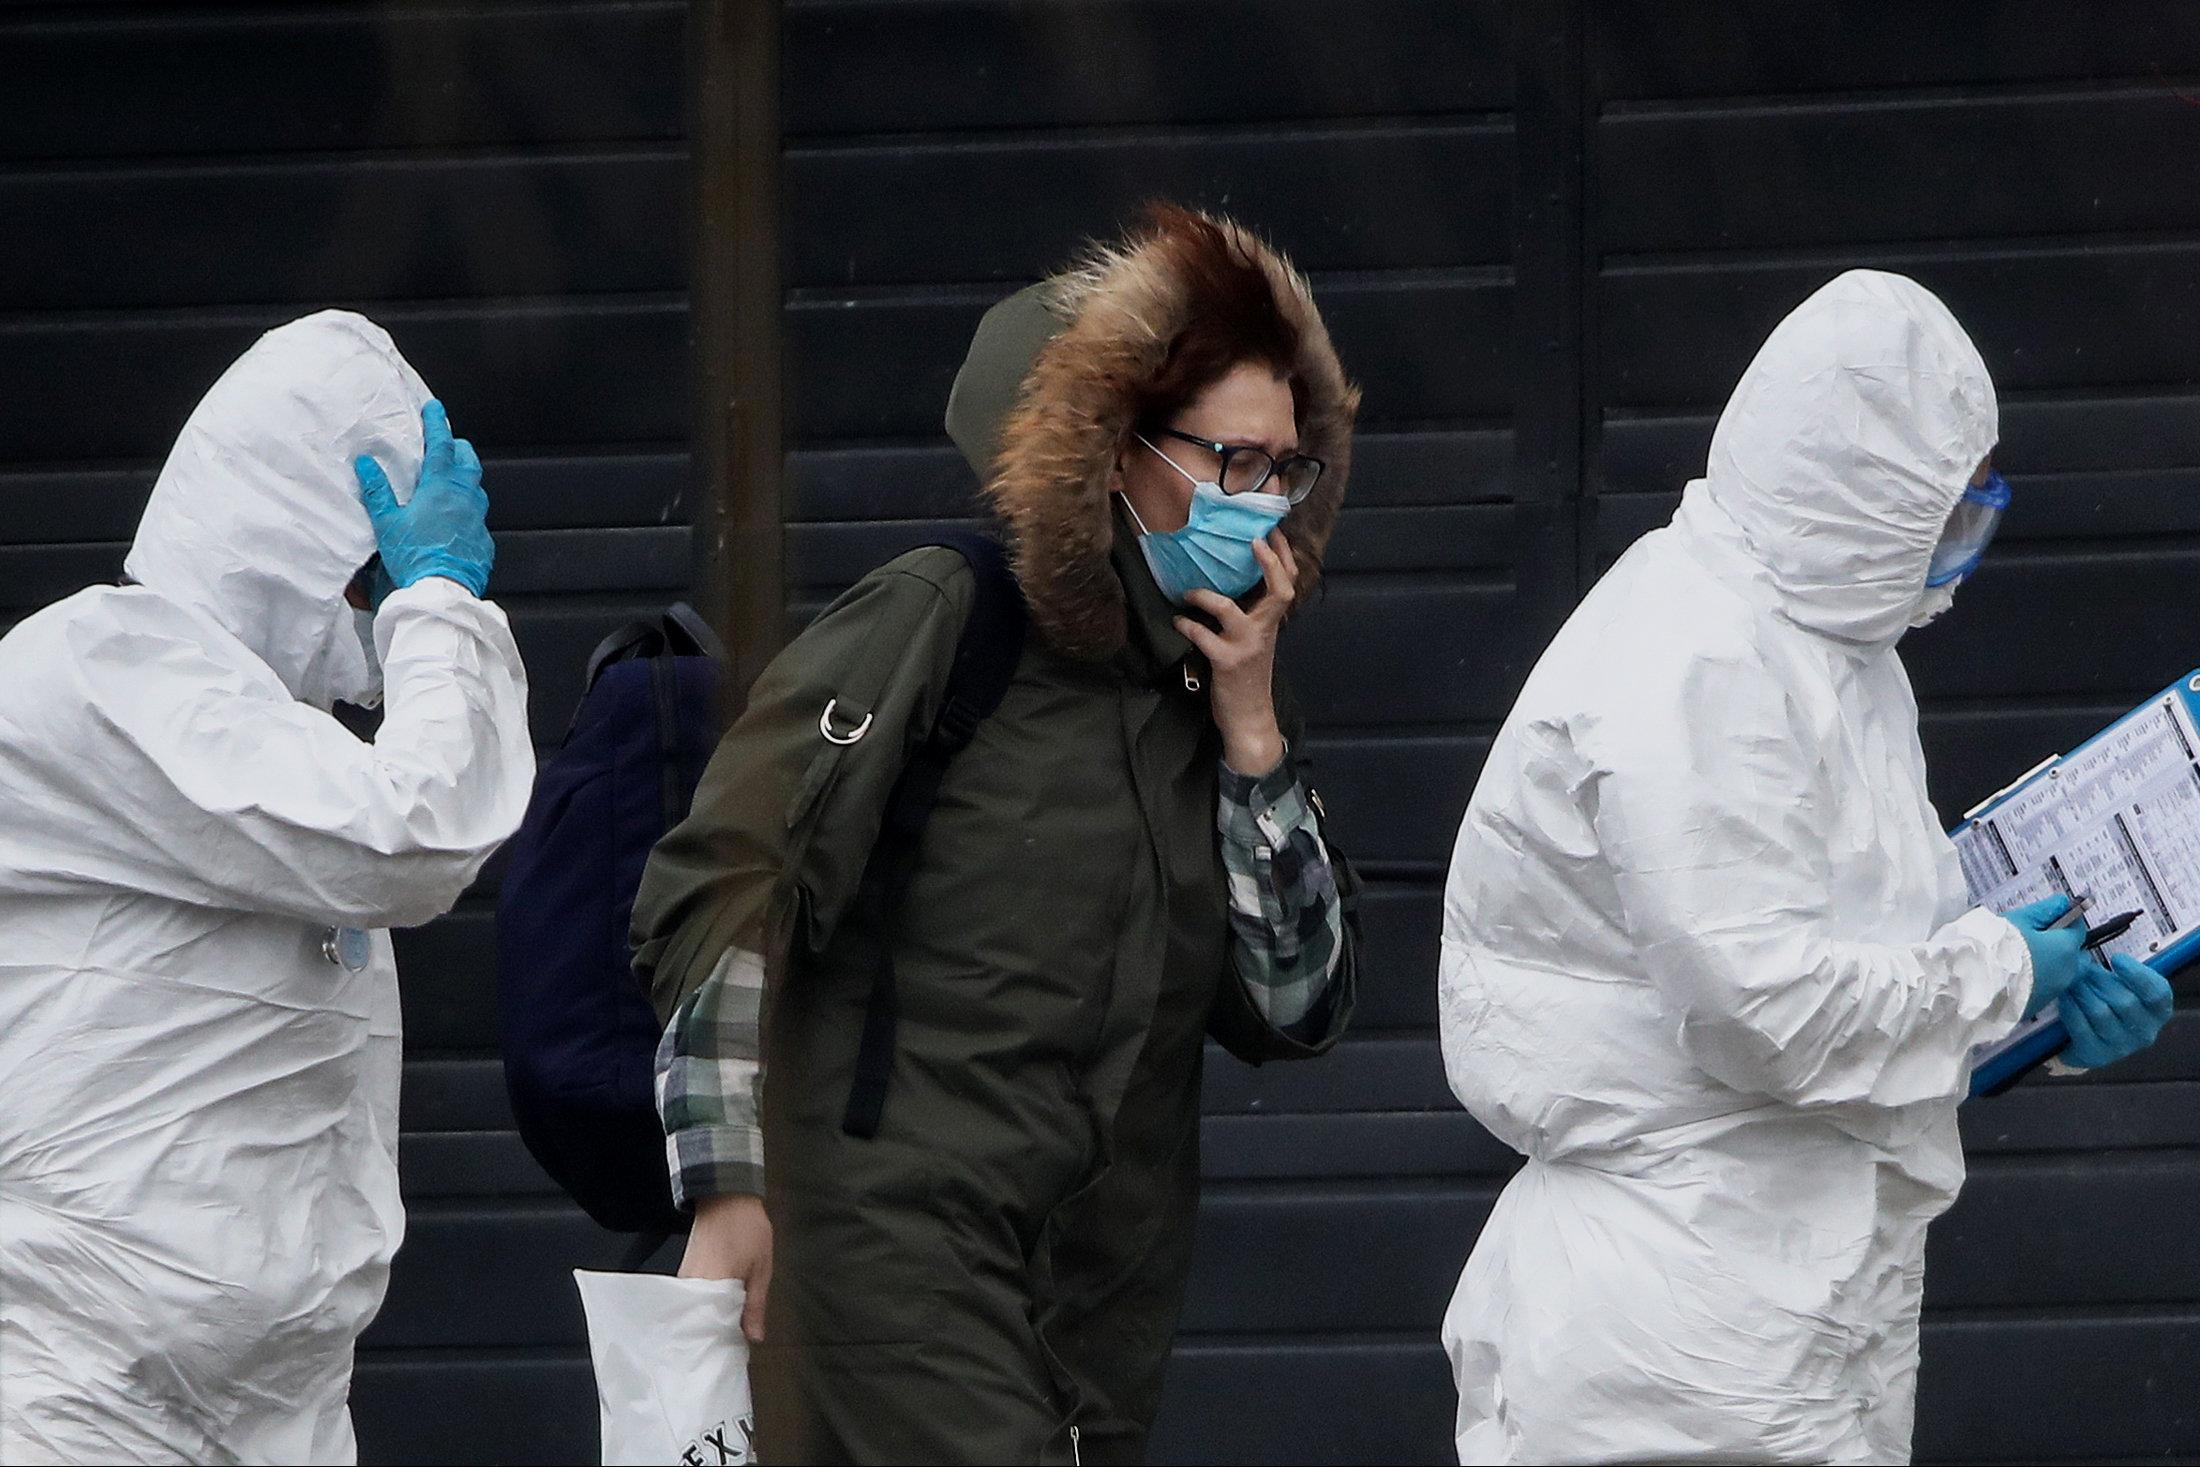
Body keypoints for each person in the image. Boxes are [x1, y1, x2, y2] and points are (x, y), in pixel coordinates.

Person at [632, 205, 1361, 1464]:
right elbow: (734, 884)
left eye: (1286, 471)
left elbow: (1298, 1010)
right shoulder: (945, 615)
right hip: (889, 1255)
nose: (1262, 505)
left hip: (1095, 1300)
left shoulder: (1217, 694)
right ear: (1117, 451)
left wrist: (1253, 737)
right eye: (1233, 461)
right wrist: (725, 1187)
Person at [1436, 269, 2173, 1465]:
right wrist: (1997, 973)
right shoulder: (1694, 661)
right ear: (1858, 493)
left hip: (1793, 1296)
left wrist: (2039, 1017)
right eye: (1944, 516)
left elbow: (1866, 969)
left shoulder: (1833, 648)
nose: (1956, 557)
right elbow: (1764, 1012)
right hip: (1673, 1332)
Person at [0, 311, 533, 1464]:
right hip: (80, 1396)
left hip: (276, 1408)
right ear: (290, 532)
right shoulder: (104, 671)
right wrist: (443, 605)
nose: (379, 618)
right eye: (372, 576)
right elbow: (418, 832)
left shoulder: (273, 745)